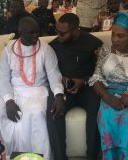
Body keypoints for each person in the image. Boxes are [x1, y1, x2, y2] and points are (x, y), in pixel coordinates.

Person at [0, 17, 65, 160]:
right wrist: (9, 101)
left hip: (37, 91)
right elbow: (2, 79)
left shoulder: (46, 49)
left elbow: (54, 75)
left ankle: (37, 156)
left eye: (37, 32)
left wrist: (58, 95)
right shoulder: (8, 51)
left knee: (35, 113)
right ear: (20, 32)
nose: (35, 36)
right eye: (31, 33)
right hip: (11, 91)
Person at [90, 12, 128, 160]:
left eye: (121, 36)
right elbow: (96, 78)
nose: (115, 39)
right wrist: (107, 97)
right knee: (107, 117)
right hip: (108, 95)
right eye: (113, 34)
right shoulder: (105, 51)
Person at [47, 13, 102, 160]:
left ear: (76, 30)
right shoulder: (53, 46)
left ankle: (92, 156)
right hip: (64, 88)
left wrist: (83, 80)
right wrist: (61, 78)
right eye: (56, 31)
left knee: (96, 112)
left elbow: (101, 70)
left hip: (88, 87)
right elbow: (50, 71)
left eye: (62, 33)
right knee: (54, 112)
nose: (58, 35)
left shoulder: (93, 43)